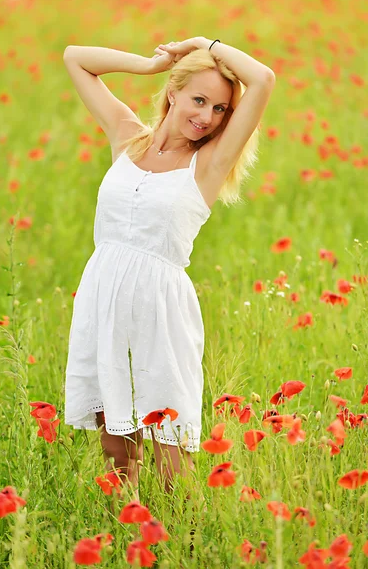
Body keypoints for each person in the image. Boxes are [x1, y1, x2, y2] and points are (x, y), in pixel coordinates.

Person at [63, 37, 275, 501]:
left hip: (162, 311)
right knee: (118, 454)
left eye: (220, 108)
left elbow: (262, 79)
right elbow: (75, 58)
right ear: (173, 92)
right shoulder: (126, 136)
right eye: (199, 99)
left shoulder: (208, 165)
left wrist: (206, 45)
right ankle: (127, 535)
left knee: (171, 454)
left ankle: (184, 540)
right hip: (105, 300)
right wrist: (149, 64)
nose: (207, 117)